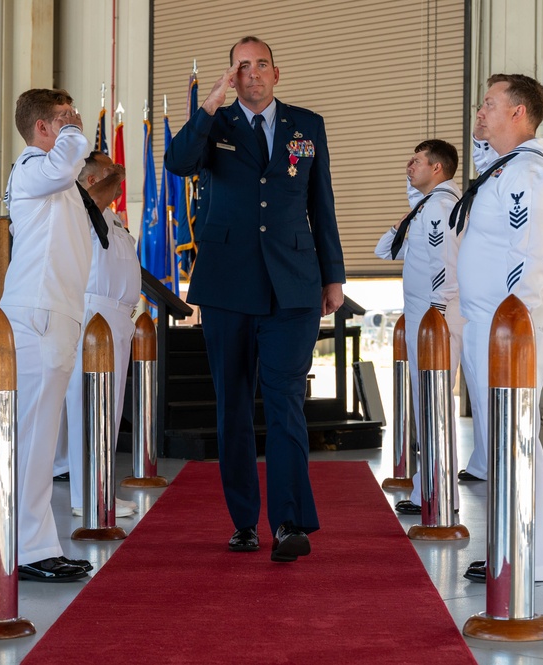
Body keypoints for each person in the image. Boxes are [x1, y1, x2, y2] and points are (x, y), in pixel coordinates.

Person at [165, 36, 345, 563]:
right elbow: (177, 164)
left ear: (276, 72)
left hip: (293, 285)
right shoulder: (214, 125)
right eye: (241, 67)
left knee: (286, 401)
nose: (252, 74)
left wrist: (332, 276)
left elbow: (322, 202)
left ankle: (289, 521)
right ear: (231, 77)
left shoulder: (306, 125)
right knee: (234, 406)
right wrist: (206, 106)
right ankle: (244, 521)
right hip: (226, 286)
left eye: (260, 64)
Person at [453, 73, 543, 583]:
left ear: (519, 112)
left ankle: (529, 559)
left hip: (510, 328)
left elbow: (529, 255)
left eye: (490, 104)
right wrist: (484, 135)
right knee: (502, 441)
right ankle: (509, 546)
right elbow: (483, 157)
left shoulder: (529, 173)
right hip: (487, 325)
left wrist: (510, 326)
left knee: (516, 438)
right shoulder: (506, 168)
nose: (480, 112)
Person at [0, 88, 93, 583]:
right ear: (42, 128)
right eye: (65, 118)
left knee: (39, 438)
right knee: (35, 439)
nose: (75, 123)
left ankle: (36, 544)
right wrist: (74, 134)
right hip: (38, 317)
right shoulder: (34, 167)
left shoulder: (54, 177)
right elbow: (64, 164)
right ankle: (28, 549)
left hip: (54, 314)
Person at [373, 140, 464, 516]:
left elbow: (446, 263)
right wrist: (407, 214)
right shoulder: (426, 208)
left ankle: (441, 494)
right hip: (426, 317)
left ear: (438, 168)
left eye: (417, 161)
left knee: (434, 406)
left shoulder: (440, 208)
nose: (409, 166)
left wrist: (437, 314)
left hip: (434, 319)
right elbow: (384, 250)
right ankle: (432, 488)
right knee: (428, 407)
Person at [59, 151, 140, 519]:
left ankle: (101, 488)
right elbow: (92, 196)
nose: (118, 177)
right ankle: (84, 495)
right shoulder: (82, 209)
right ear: (92, 180)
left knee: (111, 408)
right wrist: (116, 172)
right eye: (110, 172)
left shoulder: (114, 219)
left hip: (120, 317)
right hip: (95, 316)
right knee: (88, 407)